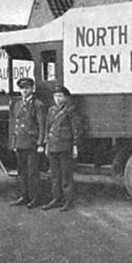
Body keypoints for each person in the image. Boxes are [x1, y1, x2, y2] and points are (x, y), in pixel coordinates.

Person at [42, 84, 82, 212]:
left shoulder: (70, 110)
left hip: (65, 146)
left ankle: (68, 201)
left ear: (65, 97)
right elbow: (48, 129)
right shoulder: (51, 110)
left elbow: (76, 128)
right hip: (53, 146)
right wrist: (47, 145)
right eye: (55, 96)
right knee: (54, 176)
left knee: (66, 176)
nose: (57, 98)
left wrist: (75, 145)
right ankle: (56, 199)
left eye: (60, 96)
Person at [9, 77, 46, 208]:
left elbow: (42, 125)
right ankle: (24, 197)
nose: (24, 91)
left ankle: (35, 199)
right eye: (22, 88)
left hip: (32, 143)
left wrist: (41, 143)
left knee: (32, 173)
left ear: (32, 89)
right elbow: (15, 125)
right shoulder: (18, 104)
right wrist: (13, 143)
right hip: (20, 142)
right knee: (22, 172)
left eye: (27, 88)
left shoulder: (38, 105)